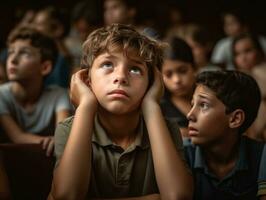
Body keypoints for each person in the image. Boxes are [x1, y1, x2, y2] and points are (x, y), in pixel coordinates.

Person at [48, 24, 193, 199]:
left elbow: (177, 196)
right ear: (87, 80)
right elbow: (67, 196)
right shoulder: (69, 129)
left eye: (135, 69)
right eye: (107, 64)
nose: (121, 76)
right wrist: (85, 105)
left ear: (152, 84)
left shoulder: (167, 129)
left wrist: (152, 106)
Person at [185, 70, 265, 200]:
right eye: (192, 104)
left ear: (235, 119)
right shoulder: (181, 154)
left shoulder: (261, 157)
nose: (189, 115)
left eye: (203, 105)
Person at [0, 26, 72, 155]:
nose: (13, 60)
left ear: (45, 67)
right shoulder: (1, 95)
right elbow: (17, 137)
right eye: (11, 52)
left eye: (25, 53)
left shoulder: (58, 95)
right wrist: (49, 141)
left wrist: (57, 139)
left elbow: (62, 135)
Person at [232, 33, 266, 141]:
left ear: (259, 51)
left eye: (248, 51)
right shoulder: (232, 80)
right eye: (237, 54)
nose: (243, 58)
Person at [160, 37, 196, 138]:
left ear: (194, 67)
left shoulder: (212, 96)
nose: (177, 80)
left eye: (183, 71)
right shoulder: (160, 109)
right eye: (168, 74)